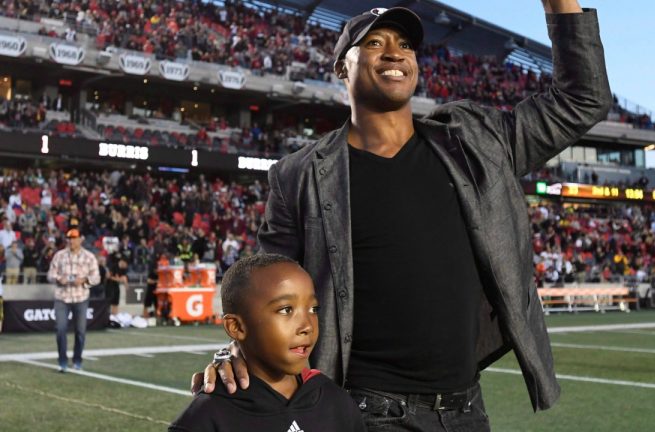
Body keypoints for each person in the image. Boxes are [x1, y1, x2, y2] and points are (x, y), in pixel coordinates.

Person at [196, 1, 610, 429]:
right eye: (374, 43)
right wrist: (235, 351)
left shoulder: (475, 143)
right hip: (370, 413)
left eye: (406, 44)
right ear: (341, 68)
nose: (395, 52)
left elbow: (584, 98)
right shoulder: (300, 175)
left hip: (467, 409)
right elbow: (267, 289)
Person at [169, 254, 365, 432]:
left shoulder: (337, 403)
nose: (307, 326)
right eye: (286, 310)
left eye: (313, 309)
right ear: (236, 326)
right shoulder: (206, 417)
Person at [47, 229, 100, 372]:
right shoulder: (59, 255)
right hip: (62, 297)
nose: (71, 241)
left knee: (80, 331)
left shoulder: (89, 257)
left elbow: (96, 277)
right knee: (60, 329)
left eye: (74, 238)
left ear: (81, 239)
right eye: (69, 238)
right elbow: (50, 274)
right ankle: (62, 361)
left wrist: (84, 281)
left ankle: (77, 360)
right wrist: (59, 279)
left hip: (81, 297)